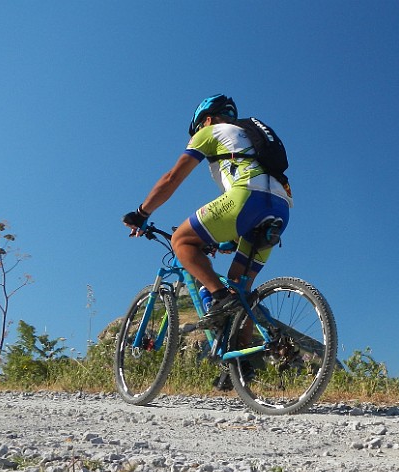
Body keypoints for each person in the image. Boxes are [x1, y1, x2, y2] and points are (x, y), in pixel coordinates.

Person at [122, 94, 292, 330]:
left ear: (208, 120)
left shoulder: (210, 132)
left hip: (247, 197)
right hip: (280, 208)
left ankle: (221, 298)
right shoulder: (249, 138)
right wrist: (226, 241)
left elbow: (172, 179)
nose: (198, 133)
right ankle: (241, 364)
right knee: (240, 290)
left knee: (181, 240)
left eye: (199, 128)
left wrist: (141, 213)